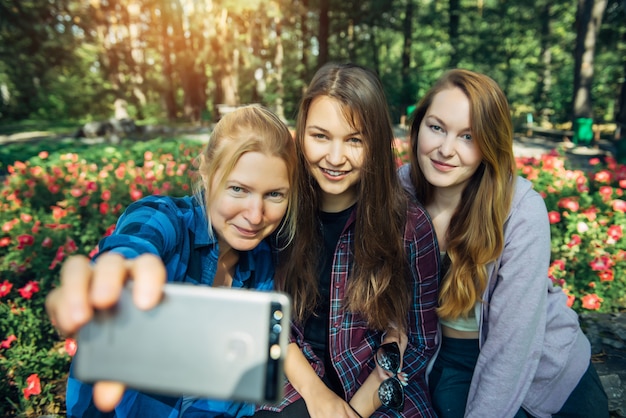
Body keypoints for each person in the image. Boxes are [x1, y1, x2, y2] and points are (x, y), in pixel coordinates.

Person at [45, 105, 299, 418]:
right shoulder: (166, 221)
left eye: (274, 195)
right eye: (238, 189)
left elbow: (233, 392)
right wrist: (116, 273)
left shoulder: (263, 265)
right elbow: (133, 244)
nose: (255, 215)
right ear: (206, 172)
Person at [398, 68, 609, 418]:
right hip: (439, 356)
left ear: (489, 144)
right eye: (436, 127)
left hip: (538, 369)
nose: (446, 150)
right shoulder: (399, 192)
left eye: (468, 136)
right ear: (418, 125)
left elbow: (513, 345)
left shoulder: (520, 210)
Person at [255, 62, 440, 417]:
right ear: (301, 134)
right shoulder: (281, 210)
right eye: (320, 136)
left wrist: (354, 410)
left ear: (377, 143)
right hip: (296, 378)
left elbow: (418, 342)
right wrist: (317, 397)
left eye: (354, 140)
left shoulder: (409, 225)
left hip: (376, 388)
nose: (335, 158)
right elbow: (269, 316)